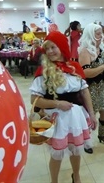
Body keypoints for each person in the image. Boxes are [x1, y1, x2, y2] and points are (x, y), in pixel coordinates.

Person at [29, 31, 97, 183]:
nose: (50, 51)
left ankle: (76, 176)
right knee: (56, 154)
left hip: (76, 117)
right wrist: (57, 103)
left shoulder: (75, 67)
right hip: (57, 119)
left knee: (75, 150)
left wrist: (92, 114)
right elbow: (34, 99)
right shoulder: (44, 71)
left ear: (61, 47)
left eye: (54, 47)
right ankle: (54, 181)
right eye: (47, 49)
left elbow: (85, 91)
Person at [78, 23, 104, 151]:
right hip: (91, 91)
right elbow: (85, 73)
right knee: (90, 116)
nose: (101, 36)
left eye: (101, 33)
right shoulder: (85, 51)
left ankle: (102, 135)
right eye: (98, 34)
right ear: (90, 35)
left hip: (103, 88)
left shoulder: (101, 49)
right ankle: (86, 141)